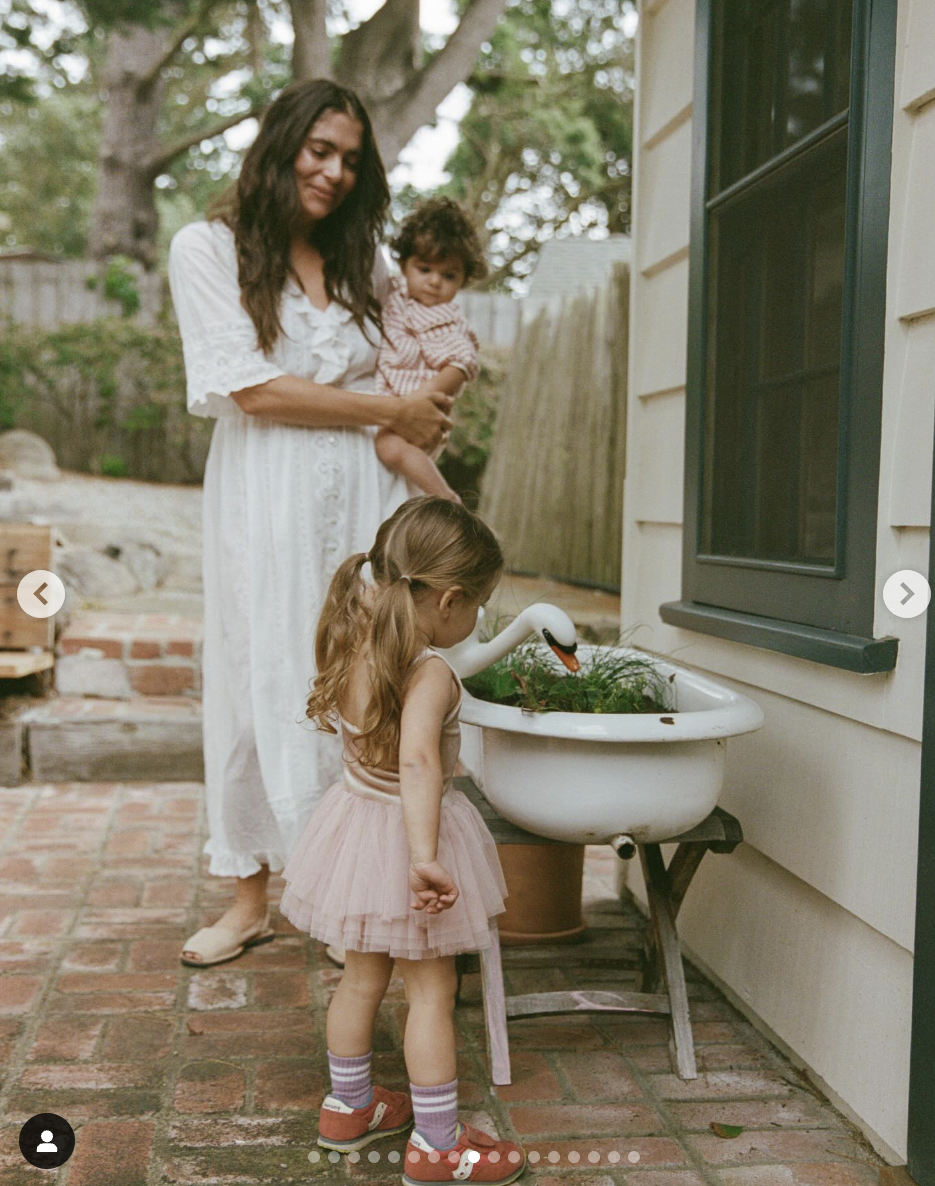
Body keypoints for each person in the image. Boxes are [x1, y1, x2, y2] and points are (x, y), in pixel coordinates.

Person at [167, 79, 453, 968]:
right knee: (259, 672)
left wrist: (426, 405)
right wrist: (385, 413)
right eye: (319, 149)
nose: (333, 172)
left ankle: (344, 895)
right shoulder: (206, 249)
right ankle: (250, 896)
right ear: (282, 143)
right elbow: (249, 387)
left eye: (351, 160)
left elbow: (415, 370)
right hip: (266, 496)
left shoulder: (367, 269)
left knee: (361, 676)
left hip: (364, 499)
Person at [280, 497, 526, 1185]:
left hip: (355, 830)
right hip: (409, 837)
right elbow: (418, 761)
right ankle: (439, 1145)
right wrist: (424, 857)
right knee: (429, 992)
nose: (478, 618)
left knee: (360, 979)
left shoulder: (359, 640)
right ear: (448, 600)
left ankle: (349, 1109)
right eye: (478, 603)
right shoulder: (433, 672)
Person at [373, 198, 487, 504]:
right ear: (404, 265)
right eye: (424, 269)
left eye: (449, 275)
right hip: (389, 404)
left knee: (388, 448)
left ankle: (446, 498)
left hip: (418, 409)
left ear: (464, 278)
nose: (435, 282)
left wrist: (419, 400)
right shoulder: (395, 294)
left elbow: (461, 364)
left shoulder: (446, 318)